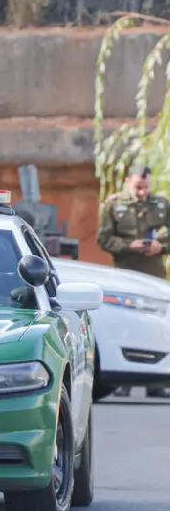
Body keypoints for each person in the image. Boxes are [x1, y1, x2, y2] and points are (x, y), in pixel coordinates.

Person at [97, 163, 170, 399]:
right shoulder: (113, 205)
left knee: (158, 326)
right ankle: (124, 378)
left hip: (154, 275)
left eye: (146, 187)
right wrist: (129, 246)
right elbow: (104, 239)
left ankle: (157, 380)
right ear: (128, 181)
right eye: (138, 187)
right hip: (125, 273)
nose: (142, 192)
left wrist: (162, 247)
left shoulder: (161, 205)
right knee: (125, 324)